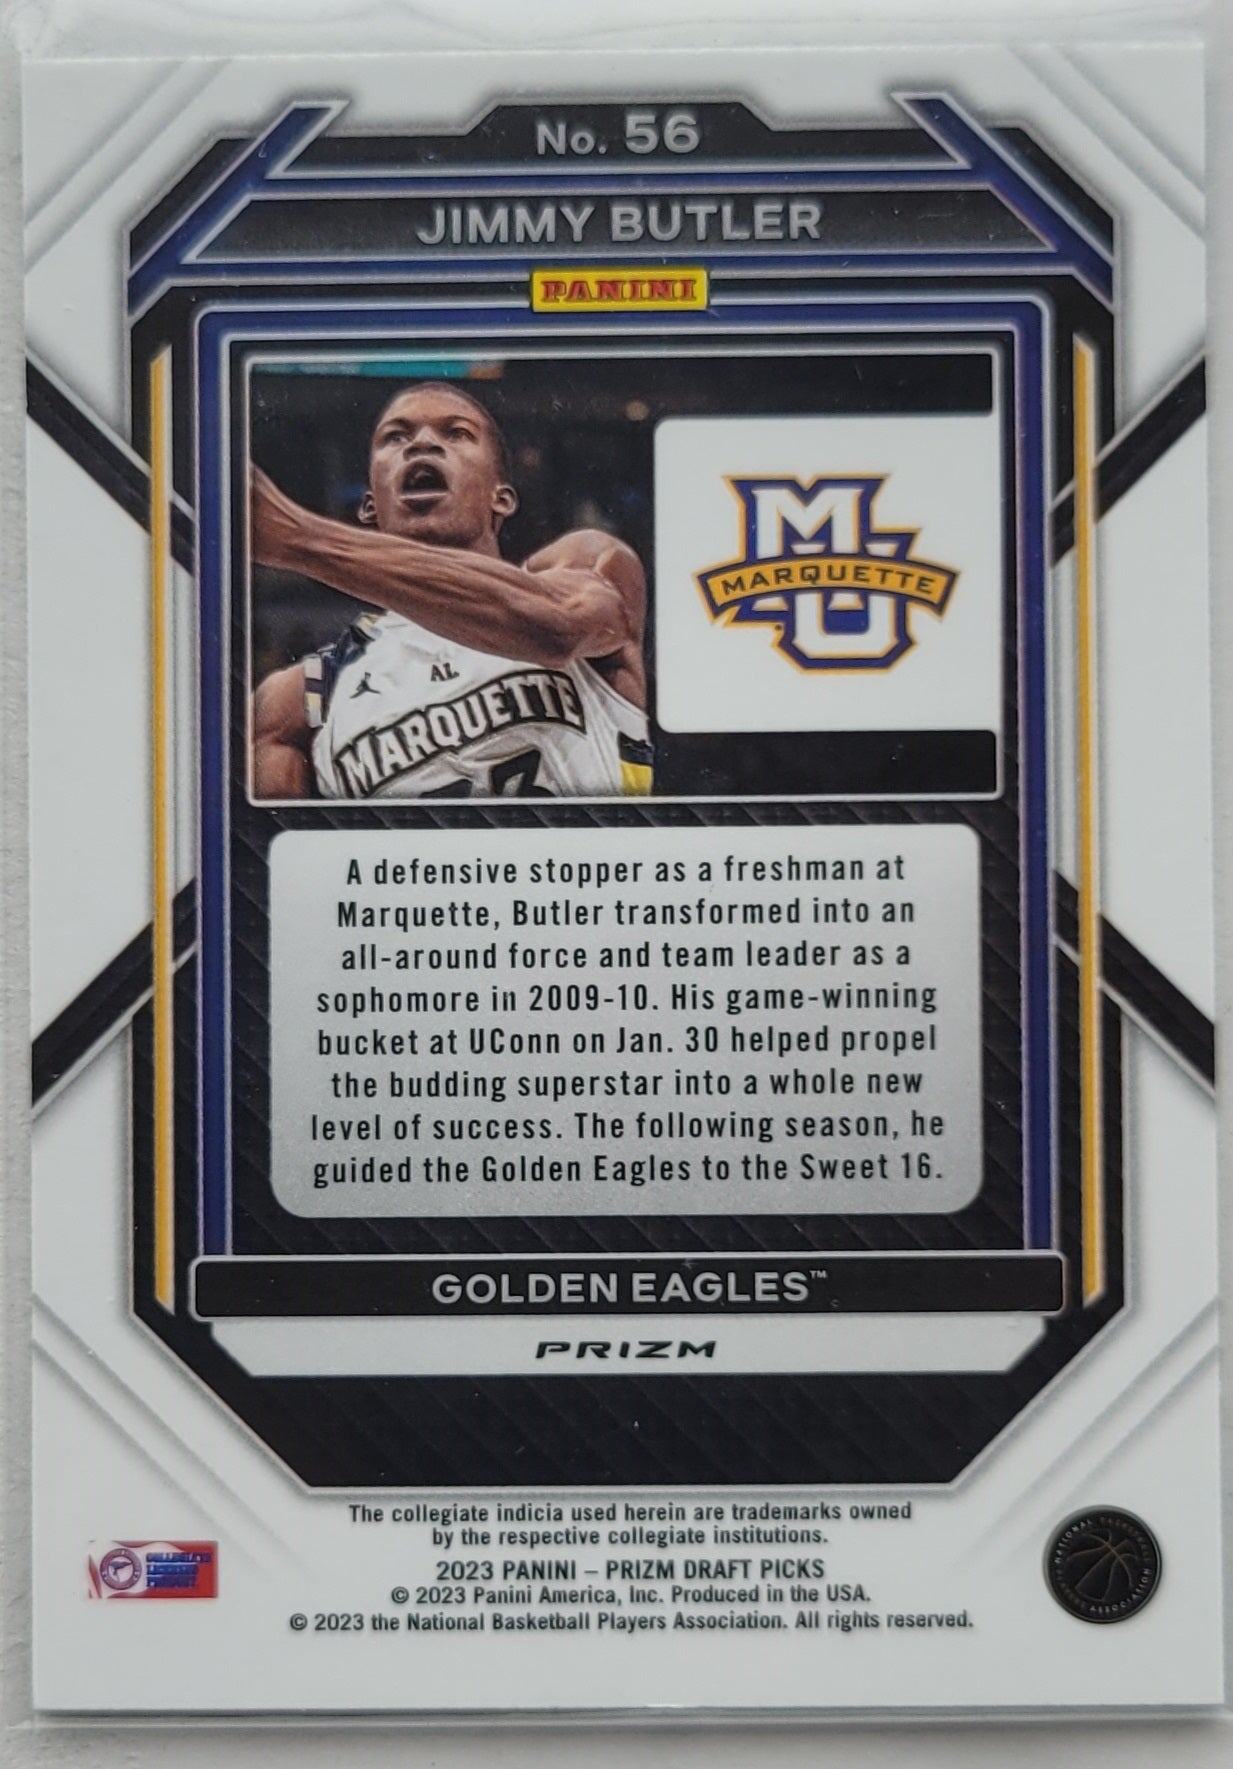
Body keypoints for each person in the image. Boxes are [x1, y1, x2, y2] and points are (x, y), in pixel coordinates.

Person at [250, 381, 651, 800]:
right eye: (396, 437)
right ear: (369, 506)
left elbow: (558, 628)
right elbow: (281, 840)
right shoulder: (299, 697)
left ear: (502, 498)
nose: (422, 444)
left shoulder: (588, 562)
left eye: (457, 433)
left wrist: (297, 539)